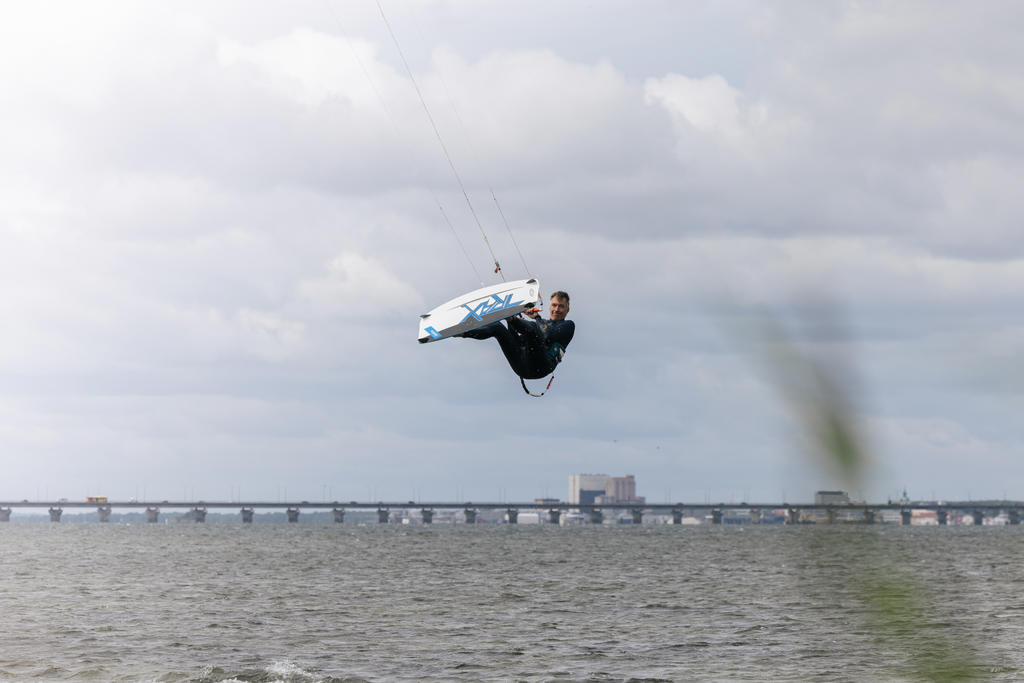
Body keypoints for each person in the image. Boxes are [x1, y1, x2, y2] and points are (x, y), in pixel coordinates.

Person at [459, 290, 574, 380]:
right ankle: (463, 332)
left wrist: (536, 318)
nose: (556, 309)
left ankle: (510, 317)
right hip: (521, 365)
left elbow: (547, 334)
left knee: (532, 329)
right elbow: (521, 340)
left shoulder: (568, 325)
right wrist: (514, 316)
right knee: (498, 327)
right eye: (554, 305)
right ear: (550, 307)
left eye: (561, 306)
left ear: (567, 310)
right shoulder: (541, 325)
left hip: (541, 368)